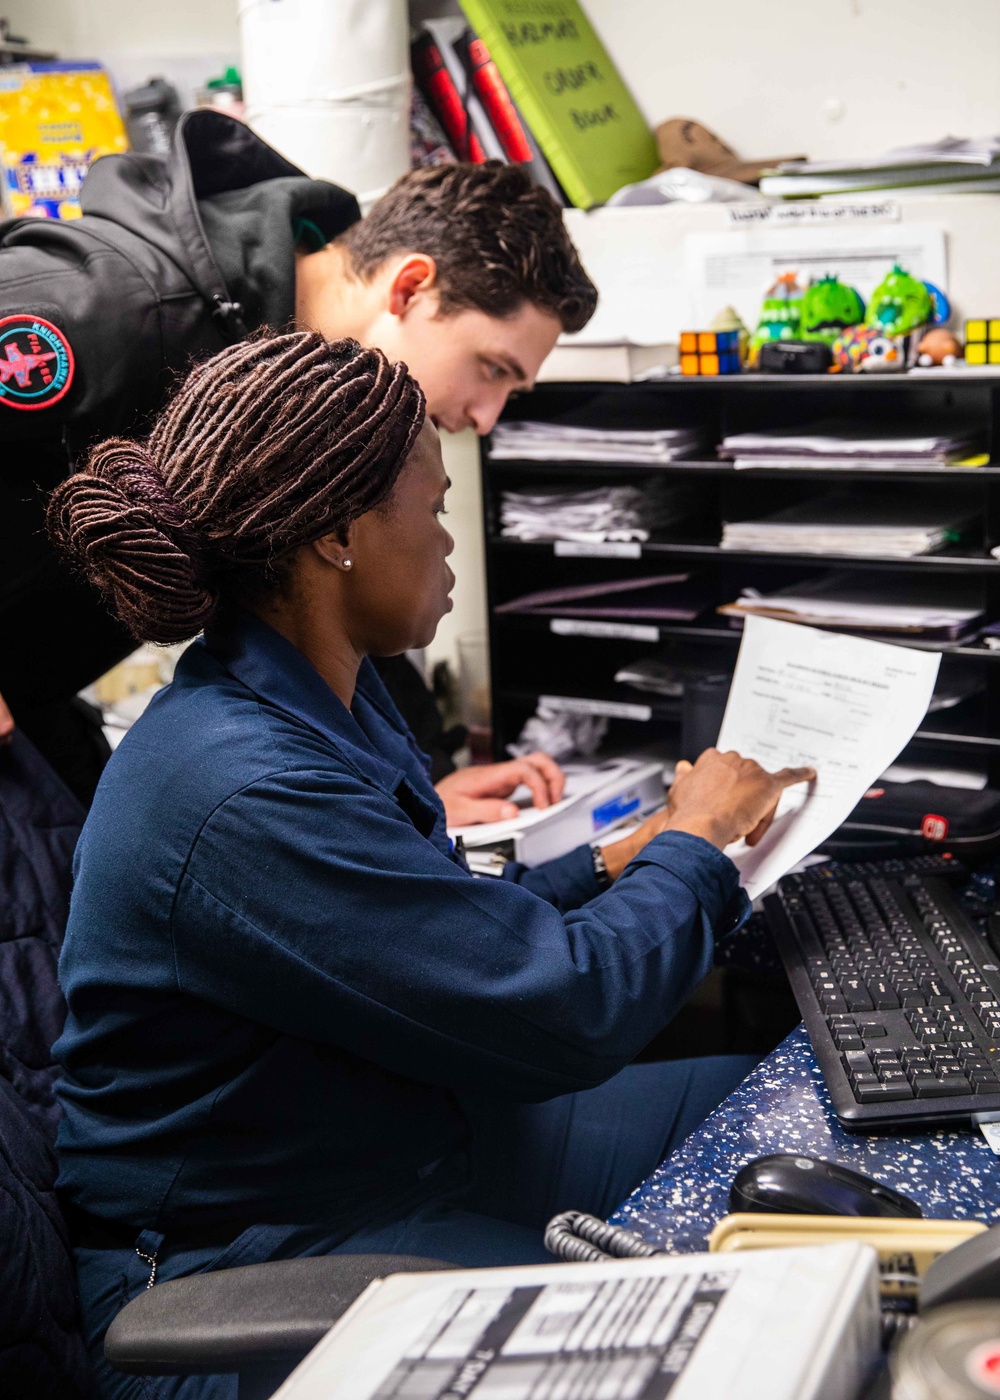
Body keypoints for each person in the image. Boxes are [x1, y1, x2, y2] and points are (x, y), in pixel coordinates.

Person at [48, 332, 814, 1400]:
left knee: (776, 1113)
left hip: (401, 1138)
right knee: (691, 1346)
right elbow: (563, 1007)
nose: (451, 539)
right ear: (338, 536)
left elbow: (438, 922)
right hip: (256, 1257)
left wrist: (612, 859)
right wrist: (691, 841)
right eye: (433, 503)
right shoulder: (242, 784)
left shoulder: (318, 699)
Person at [0, 107, 596, 813]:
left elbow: (332, 596)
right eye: (492, 369)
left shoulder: (317, 399)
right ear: (409, 288)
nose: (485, 417)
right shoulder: (121, 309)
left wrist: (420, 777)